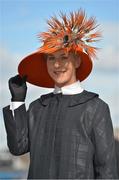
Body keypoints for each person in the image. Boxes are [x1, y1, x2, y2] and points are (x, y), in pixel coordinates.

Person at [3, 10, 118, 179]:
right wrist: (18, 101)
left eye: (64, 57)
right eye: (51, 58)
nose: (57, 64)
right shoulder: (37, 108)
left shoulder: (96, 108)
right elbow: (17, 147)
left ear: (77, 61)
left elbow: (107, 171)